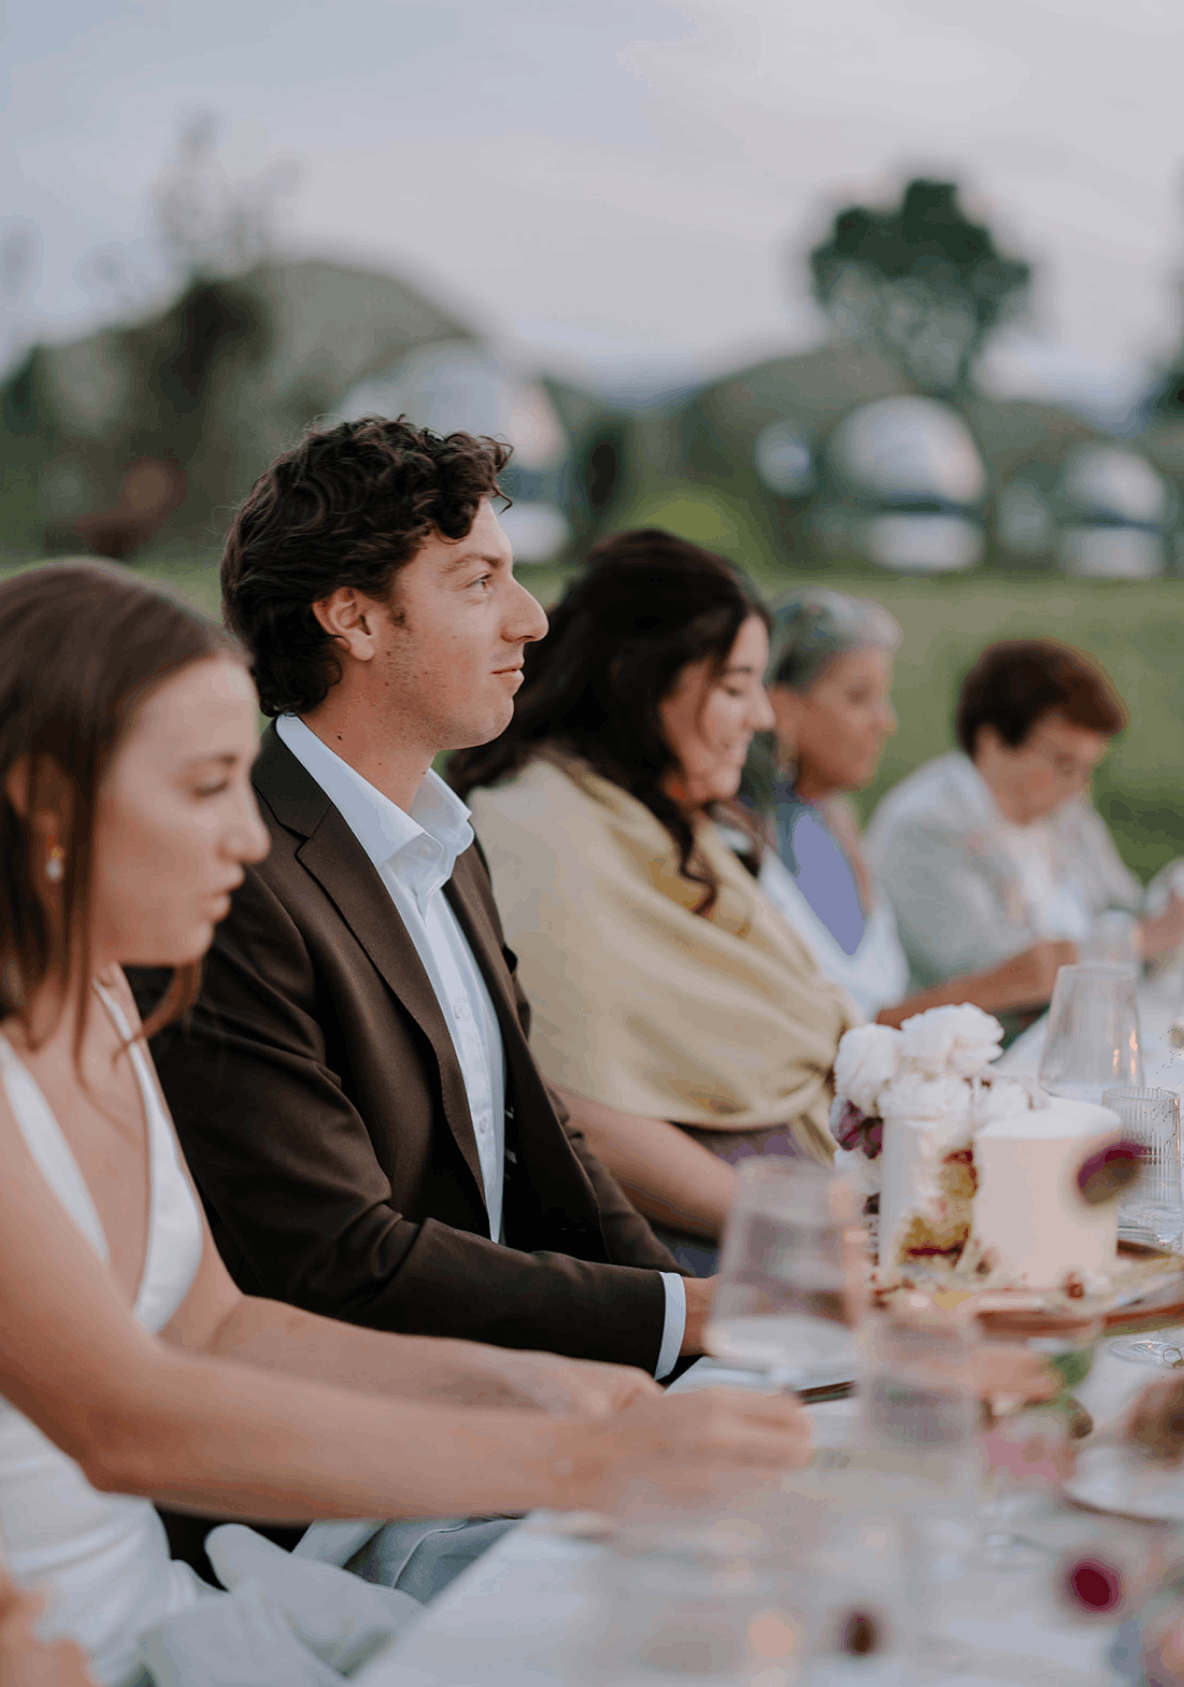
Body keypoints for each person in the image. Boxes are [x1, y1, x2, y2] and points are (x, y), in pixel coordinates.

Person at [0, 560, 812, 1685]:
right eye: (202, 788)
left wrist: (555, 1385)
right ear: (46, 801)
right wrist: (584, 1455)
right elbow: (127, 1420)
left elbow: (220, 1331)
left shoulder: (105, 999)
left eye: (247, 783)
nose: (246, 842)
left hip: (169, 1612)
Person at [137, 419, 718, 1390]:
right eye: (479, 581)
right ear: (354, 620)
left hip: (534, 1389)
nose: (530, 618)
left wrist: (692, 1337)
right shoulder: (236, 884)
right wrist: (683, 1313)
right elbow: (334, 1257)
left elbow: (542, 1138)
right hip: (350, 1461)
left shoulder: (446, 841)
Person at [450, 530, 857, 1271]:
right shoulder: (539, 827)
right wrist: (809, 1231)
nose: (763, 717)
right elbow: (574, 1104)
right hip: (708, 1261)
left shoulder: (664, 819)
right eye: (735, 687)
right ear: (641, 683)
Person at [759, 593, 1094, 1028]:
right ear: (784, 706)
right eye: (859, 698)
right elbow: (824, 1032)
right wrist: (991, 988)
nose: (886, 721)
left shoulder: (833, 819)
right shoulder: (750, 846)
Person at [864, 637, 1184, 997]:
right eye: (1064, 764)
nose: (1079, 786)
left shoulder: (1064, 811)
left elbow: (1125, 904)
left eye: (1087, 769)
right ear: (992, 743)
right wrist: (1134, 942)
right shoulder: (923, 831)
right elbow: (993, 970)